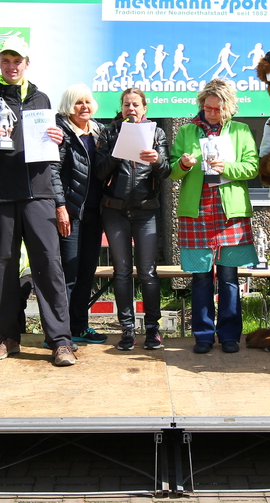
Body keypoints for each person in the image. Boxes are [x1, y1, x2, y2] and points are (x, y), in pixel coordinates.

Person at [0, 45, 77, 367]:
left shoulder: (41, 99)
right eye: (6, 61)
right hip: (2, 195)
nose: (12, 66)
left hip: (39, 194)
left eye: (17, 61)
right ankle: (8, 337)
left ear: (26, 64)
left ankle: (60, 341)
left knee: (49, 265)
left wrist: (58, 139)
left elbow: (53, 151)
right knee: (4, 266)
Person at [170, 78, 259, 354]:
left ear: (227, 107)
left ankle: (230, 335)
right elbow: (172, 171)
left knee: (229, 277)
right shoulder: (186, 131)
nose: (211, 113)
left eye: (217, 109)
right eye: (207, 107)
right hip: (196, 212)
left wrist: (227, 167)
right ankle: (203, 335)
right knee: (200, 278)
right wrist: (183, 164)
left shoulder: (241, 130)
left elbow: (252, 167)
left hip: (229, 213)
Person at [95, 87, 170, 351]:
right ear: (122, 108)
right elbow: (99, 173)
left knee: (148, 273)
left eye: (136, 105)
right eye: (127, 105)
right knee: (122, 272)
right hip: (115, 211)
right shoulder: (109, 132)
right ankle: (127, 328)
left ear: (144, 108)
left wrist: (157, 160)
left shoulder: (156, 133)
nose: (131, 109)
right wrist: (117, 153)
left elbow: (165, 172)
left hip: (146, 211)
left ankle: (152, 328)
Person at [55, 84, 107, 344]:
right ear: (68, 106)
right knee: (69, 275)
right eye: (78, 102)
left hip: (94, 214)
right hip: (71, 213)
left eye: (87, 101)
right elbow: (52, 172)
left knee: (87, 272)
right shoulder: (59, 132)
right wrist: (60, 207)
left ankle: (80, 327)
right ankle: (60, 333)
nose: (84, 107)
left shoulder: (99, 132)